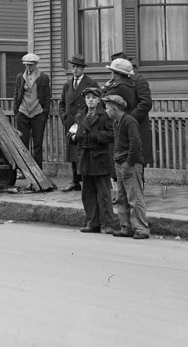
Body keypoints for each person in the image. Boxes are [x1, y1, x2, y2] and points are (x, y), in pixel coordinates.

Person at [102, 94, 150, 240]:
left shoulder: (129, 121)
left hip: (130, 164)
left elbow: (135, 143)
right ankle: (126, 227)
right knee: (121, 197)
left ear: (114, 108)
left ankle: (141, 229)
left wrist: (129, 162)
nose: (106, 111)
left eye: (107, 108)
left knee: (135, 197)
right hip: (120, 162)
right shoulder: (116, 122)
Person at [73, 87, 117, 234]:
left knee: (104, 194)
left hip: (100, 157)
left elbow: (112, 134)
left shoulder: (105, 116)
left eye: (93, 97)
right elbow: (73, 131)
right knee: (88, 193)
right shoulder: (80, 115)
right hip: (85, 157)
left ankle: (108, 224)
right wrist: (73, 137)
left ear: (99, 100)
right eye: (88, 98)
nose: (90, 100)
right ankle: (92, 223)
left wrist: (96, 135)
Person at [59, 54, 98, 192]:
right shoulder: (67, 85)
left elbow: (96, 103)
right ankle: (75, 181)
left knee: (83, 151)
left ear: (83, 68)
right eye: (73, 66)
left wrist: (87, 119)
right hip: (70, 123)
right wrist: (64, 117)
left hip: (84, 123)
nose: (75, 69)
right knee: (72, 151)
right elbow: (62, 103)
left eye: (78, 67)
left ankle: (86, 180)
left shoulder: (91, 83)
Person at [111, 51, 153, 173]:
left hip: (136, 127)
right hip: (119, 131)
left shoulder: (139, 80)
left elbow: (145, 103)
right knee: (120, 166)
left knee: (135, 164)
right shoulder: (113, 83)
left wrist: (128, 119)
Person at [13, 53, 51, 172]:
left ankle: (38, 170)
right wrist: (16, 110)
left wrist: (45, 112)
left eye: (30, 65)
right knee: (23, 143)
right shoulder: (20, 77)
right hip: (23, 113)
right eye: (26, 65)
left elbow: (47, 95)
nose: (28, 67)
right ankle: (24, 170)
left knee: (37, 143)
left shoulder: (43, 77)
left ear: (36, 64)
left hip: (38, 113)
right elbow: (16, 93)